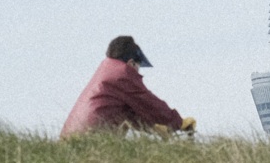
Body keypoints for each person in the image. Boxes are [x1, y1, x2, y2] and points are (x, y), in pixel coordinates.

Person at [60, 35, 196, 138]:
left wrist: (156, 128)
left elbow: (130, 114)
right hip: (89, 141)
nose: (138, 72)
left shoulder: (106, 71)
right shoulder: (122, 74)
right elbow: (149, 103)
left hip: (71, 139)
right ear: (131, 63)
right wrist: (179, 122)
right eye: (138, 66)